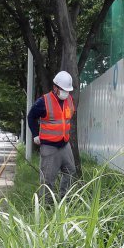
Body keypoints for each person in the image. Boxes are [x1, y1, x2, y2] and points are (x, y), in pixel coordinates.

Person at [27, 70, 76, 201]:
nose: (66, 93)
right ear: (55, 87)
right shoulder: (43, 101)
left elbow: (67, 118)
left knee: (70, 172)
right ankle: (47, 207)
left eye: (68, 90)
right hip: (49, 147)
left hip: (65, 144)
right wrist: (35, 134)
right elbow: (31, 117)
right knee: (48, 180)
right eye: (63, 90)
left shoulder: (69, 100)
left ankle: (65, 200)